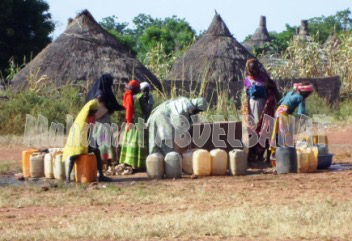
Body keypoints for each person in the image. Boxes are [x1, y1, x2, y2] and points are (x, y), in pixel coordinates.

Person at [63, 99, 111, 183]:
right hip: (77, 144)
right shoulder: (83, 120)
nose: (95, 113)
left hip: (82, 143)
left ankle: (101, 175)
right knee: (74, 156)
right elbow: (81, 135)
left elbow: (88, 134)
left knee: (96, 151)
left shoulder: (85, 117)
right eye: (94, 111)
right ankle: (68, 178)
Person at [242, 58, 280, 163]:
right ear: (248, 69)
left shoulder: (265, 79)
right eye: (252, 68)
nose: (254, 70)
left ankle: (268, 157)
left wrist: (276, 103)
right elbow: (246, 96)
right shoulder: (247, 80)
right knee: (254, 130)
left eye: (256, 67)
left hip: (264, 107)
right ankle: (256, 155)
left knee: (266, 129)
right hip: (252, 107)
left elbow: (274, 91)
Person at [85, 74, 124, 168]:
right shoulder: (102, 93)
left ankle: (102, 162)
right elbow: (108, 102)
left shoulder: (95, 91)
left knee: (99, 141)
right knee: (104, 141)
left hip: (96, 122)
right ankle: (106, 162)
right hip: (103, 122)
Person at [270, 82, 314, 159]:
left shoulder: (291, 93)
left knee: (277, 134)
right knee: (285, 136)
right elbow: (301, 113)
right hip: (284, 115)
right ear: (306, 93)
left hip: (277, 113)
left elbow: (280, 102)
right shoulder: (300, 98)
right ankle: (283, 157)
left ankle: (275, 154)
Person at [119, 80, 151, 170]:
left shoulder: (127, 95)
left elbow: (127, 109)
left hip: (131, 122)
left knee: (130, 141)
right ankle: (137, 164)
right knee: (138, 142)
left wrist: (128, 122)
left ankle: (129, 162)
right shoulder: (138, 97)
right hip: (137, 122)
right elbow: (141, 110)